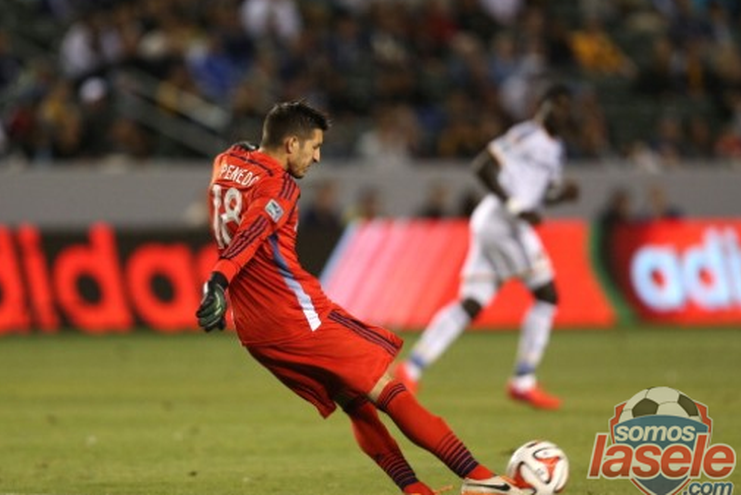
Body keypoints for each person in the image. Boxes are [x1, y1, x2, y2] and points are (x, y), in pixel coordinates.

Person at [196, 101, 525, 495]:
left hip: (254, 331)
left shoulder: (227, 160)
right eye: (313, 147)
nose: (316, 157)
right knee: (387, 388)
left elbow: (241, 154)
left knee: (355, 401)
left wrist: (222, 285)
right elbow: (251, 233)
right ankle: (482, 479)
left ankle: (415, 490)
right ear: (290, 144)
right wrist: (216, 279)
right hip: (297, 317)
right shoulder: (280, 187)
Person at [395, 84, 580, 410]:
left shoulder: (556, 150)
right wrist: (514, 205)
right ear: (542, 105)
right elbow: (483, 166)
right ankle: (523, 380)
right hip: (502, 222)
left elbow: (538, 196)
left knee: (472, 303)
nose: (561, 112)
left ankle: (411, 369)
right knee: (547, 295)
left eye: (567, 107)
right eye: (556, 104)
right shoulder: (527, 135)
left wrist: (560, 197)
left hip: (499, 223)